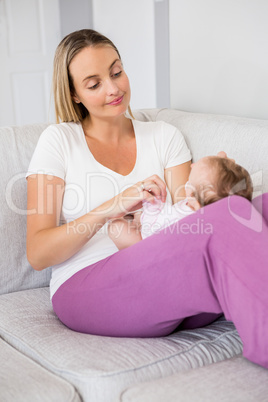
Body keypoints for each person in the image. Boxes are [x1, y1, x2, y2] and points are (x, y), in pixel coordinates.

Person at [26, 29, 268, 370]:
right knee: (230, 216)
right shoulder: (58, 141)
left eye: (116, 72)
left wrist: (214, 185)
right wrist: (116, 204)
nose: (113, 89)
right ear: (75, 94)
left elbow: (189, 223)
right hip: (88, 286)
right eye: (94, 84)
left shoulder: (163, 136)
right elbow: (38, 253)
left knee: (262, 206)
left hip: (169, 279)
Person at [108, 154, 253, 249]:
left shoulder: (185, 222)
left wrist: (152, 204)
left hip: (150, 244)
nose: (192, 165)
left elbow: (154, 227)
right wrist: (220, 161)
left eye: (194, 171)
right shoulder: (200, 206)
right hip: (159, 224)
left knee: (115, 227)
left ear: (192, 196)